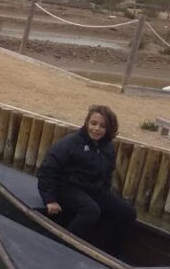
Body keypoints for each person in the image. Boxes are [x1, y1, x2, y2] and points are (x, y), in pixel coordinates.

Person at [37, 104, 136, 253]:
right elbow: (47, 169)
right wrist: (49, 199)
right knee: (90, 210)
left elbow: (107, 174)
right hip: (65, 186)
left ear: (109, 128)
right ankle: (63, 247)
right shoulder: (70, 143)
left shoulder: (107, 147)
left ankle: (110, 252)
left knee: (127, 212)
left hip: (92, 188)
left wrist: (107, 197)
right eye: (93, 123)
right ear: (86, 123)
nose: (96, 129)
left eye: (102, 126)